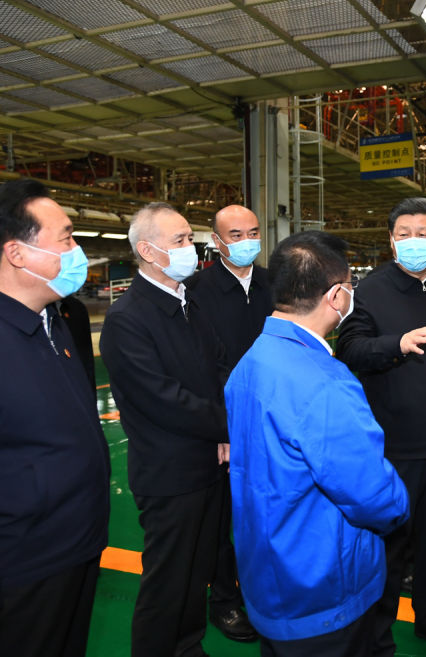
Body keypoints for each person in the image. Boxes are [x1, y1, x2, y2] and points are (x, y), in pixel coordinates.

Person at [225, 231, 410, 657]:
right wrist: (400, 504)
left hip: (268, 574)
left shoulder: (252, 361)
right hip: (324, 589)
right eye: (350, 286)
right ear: (335, 295)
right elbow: (373, 496)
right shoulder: (324, 382)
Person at [0, 179, 110, 656]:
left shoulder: (50, 322)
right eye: (66, 238)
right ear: (17, 254)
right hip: (20, 572)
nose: (77, 251)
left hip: (73, 550)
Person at [336, 197, 426, 653]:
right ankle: (376, 632)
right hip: (398, 444)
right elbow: (349, 350)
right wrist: (396, 344)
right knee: (390, 544)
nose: (413, 241)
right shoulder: (370, 291)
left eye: (423, 234)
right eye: (404, 234)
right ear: (391, 240)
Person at [99, 202, 228, 657]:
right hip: (170, 474)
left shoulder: (189, 303)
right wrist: (232, 424)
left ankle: (187, 648)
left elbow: (216, 369)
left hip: (208, 462)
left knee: (196, 575)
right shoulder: (127, 319)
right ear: (149, 252)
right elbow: (164, 399)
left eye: (189, 238)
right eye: (180, 241)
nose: (191, 247)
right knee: (168, 584)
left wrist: (222, 433)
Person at [185, 204, 273, 643]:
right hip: (226, 424)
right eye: (235, 235)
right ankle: (224, 600)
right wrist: (222, 427)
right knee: (222, 519)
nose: (246, 242)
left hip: (275, 415)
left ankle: (268, 592)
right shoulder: (196, 291)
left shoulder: (276, 284)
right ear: (217, 242)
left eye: (253, 232)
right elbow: (198, 365)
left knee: (271, 511)